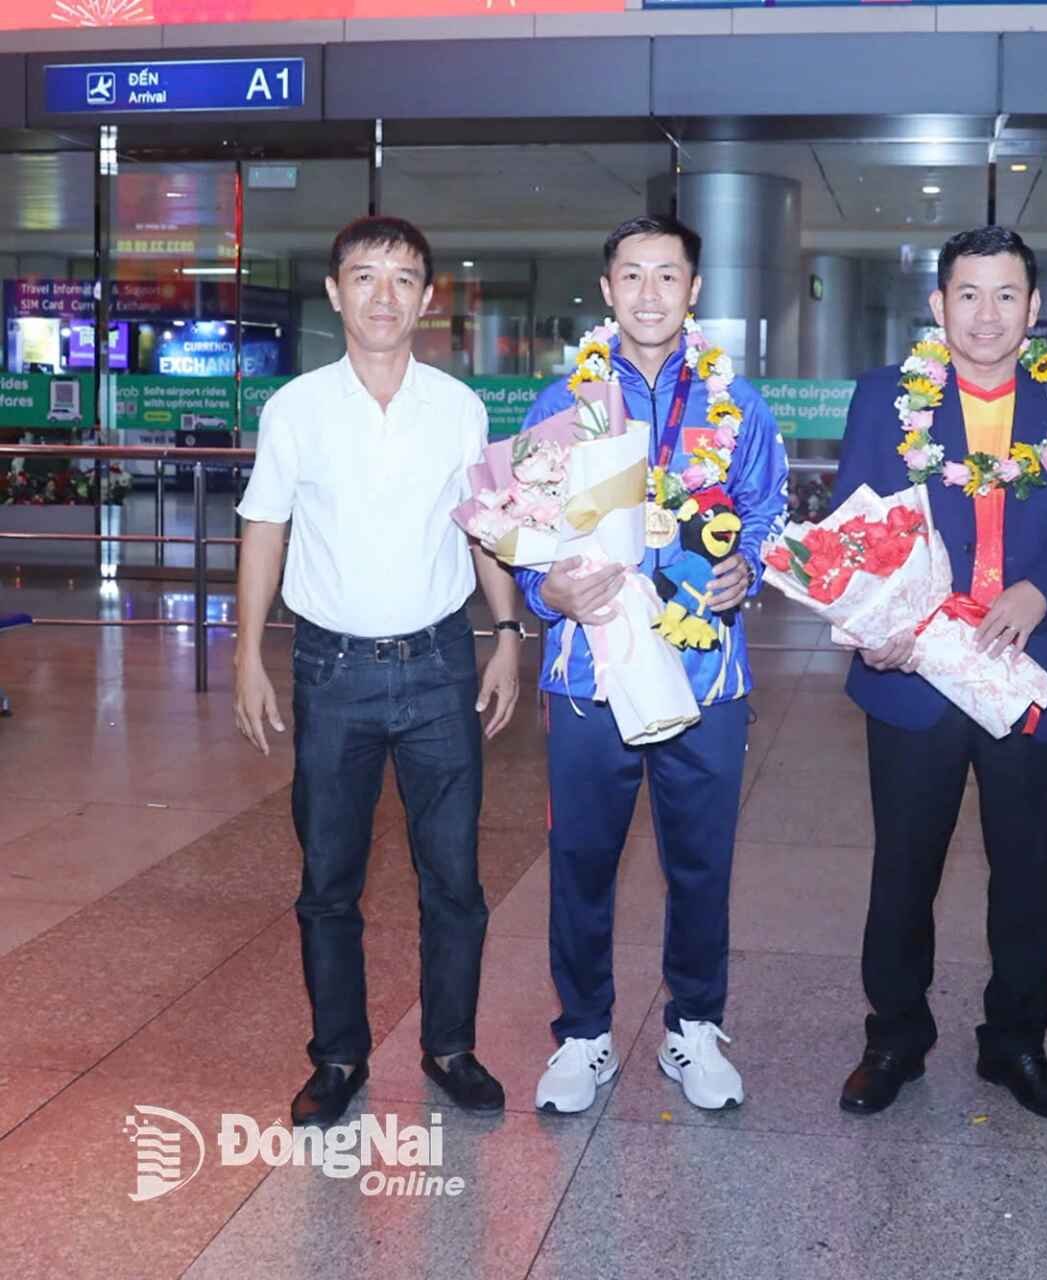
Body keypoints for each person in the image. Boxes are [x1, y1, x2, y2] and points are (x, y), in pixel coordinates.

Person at [832, 226, 1047, 1121]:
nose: (987, 314)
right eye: (968, 293)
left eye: (1007, 295)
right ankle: (894, 1038)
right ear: (939, 305)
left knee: (1029, 872)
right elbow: (856, 524)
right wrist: (872, 624)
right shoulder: (887, 399)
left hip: (1023, 672)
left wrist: (1043, 593)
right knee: (903, 870)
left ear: (1034, 309)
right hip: (914, 672)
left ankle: (1016, 1044)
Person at [233, 215, 523, 1128]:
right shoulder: (295, 408)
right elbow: (265, 529)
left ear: (427, 298)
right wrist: (246, 654)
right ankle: (338, 1056)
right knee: (329, 880)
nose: (384, 296)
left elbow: (486, 527)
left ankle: (451, 1047)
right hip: (332, 671)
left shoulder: (459, 407)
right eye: (364, 277)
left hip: (439, 666)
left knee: (455, 879)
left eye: (403, 279)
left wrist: (508, 632)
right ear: (335, 293)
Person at [518, 214, 789, 1114]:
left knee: (701, 863)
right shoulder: (560, 406)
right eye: (631, 275)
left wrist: (748, 566)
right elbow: (522, 527)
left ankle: (694, 1027)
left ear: (694, 290)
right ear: (606, 289)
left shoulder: (736, 404)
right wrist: (546, 591)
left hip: (707, 676)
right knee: (582, 861)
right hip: (588, 672)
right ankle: (583, 1035)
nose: (648, 293)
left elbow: (766, 511)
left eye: (667, 275)